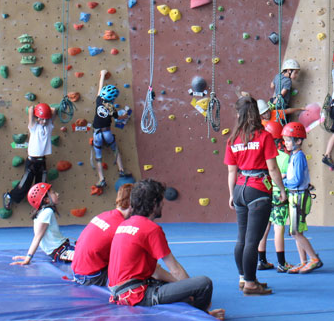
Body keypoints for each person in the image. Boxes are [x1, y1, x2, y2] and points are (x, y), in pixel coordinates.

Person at [108, 179, 225, 319]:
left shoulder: (125, 225)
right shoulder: (151, 229)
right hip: (137, 295)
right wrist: (192, 290)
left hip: (121, 292)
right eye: (161, 201)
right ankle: (201, 316)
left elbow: (156, 271)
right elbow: (174, 268)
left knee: (184, 292)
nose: (163, 204)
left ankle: (195, 309)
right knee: (203, 284)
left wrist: (186, 290)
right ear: (154, 204)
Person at [225, 96, 286, 295]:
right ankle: (251, 283)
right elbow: (273, 168)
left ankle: (244, 278)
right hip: (258, 190)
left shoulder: (233, 139)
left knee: (242, 238)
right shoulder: (264, 137)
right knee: (253, 240)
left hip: (240, 188)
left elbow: (231, 171)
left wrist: (231, 194)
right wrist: (282, 190)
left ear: (238, 115)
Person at [70, 183, 134, 286]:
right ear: (133, 205)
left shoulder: (104, 215)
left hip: (78, 272)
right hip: (92, 277)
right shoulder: (121, 226)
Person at [281, 121, 322, 272]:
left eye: (288, 140)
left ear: (298, 141)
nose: (285, 143)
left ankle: (314, 259)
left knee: (295, 232)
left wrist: (282, 181)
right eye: (284, 140)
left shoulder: (298, 157)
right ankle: (303, 261)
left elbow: (297, 180)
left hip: (298, 197)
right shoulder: (294, 156)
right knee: (297, 231)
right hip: (295, 196)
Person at [3, 103, 54, 212]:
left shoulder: (49, 127)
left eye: (46, 119)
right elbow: (31, 110)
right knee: (25, 185)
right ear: (37, 118)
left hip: (42, 161)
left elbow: (53, 111)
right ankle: (10, 196)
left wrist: (45, 113)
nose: (44, 122)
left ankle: (39, 206)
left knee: (41, 186)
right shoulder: (34, 127)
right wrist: (37, 111)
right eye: (41, 119)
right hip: (32, 161)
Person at [256, 120, 292, 272]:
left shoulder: (262, 155)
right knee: (279, 229)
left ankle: (262, 260)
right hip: (279, 196)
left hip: (264, 194)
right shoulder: (285, 157)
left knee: (264, 228)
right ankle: (282, 263)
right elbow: (290, 176)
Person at [11, 182, 74, 265]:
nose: (57, 194)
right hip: (61, 251)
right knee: (91, 256)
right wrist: (28, 257)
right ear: (46, 200)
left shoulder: (40, 212)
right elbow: (38, 237)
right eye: (53, 193)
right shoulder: (48, 212)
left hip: (61, 249)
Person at [91, 70, 129, 189]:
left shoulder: (98, 101)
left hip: (97, 134)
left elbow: (100, 87)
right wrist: (126, 114)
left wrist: (102, 75)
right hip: (107, 133)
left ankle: (101, 179)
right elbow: (119, 118)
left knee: (98, 157)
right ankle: (121, 170)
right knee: (115, 151)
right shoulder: (111, 107)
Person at [269, 59, 304, 125]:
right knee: (284, 117)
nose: (296, 75)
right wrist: (276, 100)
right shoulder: (288, 81)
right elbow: (282, 93)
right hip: (281, 103)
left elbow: (272, 86)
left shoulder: (277, 76)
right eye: (295, 73)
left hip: (275, 99)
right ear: (289, 71)